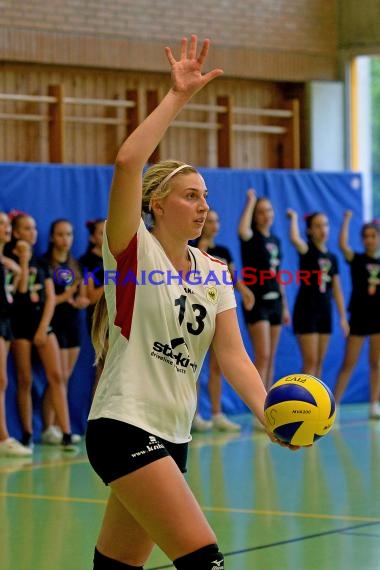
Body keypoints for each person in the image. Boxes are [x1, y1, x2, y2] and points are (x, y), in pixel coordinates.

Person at [85, 36, 298, 570]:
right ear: (156, 204)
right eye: (190, 195)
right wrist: (178, 97)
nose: (204, 205)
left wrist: (268, 413)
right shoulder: (133, 248)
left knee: (116, 567)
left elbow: (234, 357)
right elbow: (129, 159)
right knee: (205, 560)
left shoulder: (215, 272)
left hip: (172, 434)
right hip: (124, 425)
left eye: (205, 196)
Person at [4, 212, 77, 450]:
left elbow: (49, 298)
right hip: (18, 326)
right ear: (16, 233)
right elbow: (21, 291)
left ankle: (65, 431)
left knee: (57, 376)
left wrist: (44, 326)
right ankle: (26, 433)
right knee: (24, 379)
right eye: (26, 229)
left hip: (43, 325)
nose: (32, 233)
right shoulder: (8, 258)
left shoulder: (43, 262)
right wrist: (23, 263)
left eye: (34, 228)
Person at [192, 208, 254, 432]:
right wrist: (203, 244)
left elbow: (232, 276)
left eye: (217, 221)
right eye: (210, 221)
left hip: (220, 310)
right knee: (194, 366)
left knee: (219, 364)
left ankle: (217, 413)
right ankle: (195, 414)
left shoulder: (224, 250)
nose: (214, 224)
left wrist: (244, 291)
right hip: (197, 310)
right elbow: (193, 272)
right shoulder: (192, 248)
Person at [40, 219, 89, 444]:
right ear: (52, 237)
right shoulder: (45, 264)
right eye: (60, 234)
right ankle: (50, 426)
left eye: (69, 234)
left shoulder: (75, 264)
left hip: (72, 325)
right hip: (53, 325)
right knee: (56, 377)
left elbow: (81, 295)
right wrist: (67, 295)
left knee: (64, 378)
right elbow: (48, 299)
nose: (65, 239)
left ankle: (59, 426)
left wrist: (79, 300)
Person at [286, 209, 349, 377]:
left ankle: (315, 402)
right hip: (307, 311)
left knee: (319, 362)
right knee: (310, 361)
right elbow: (294, 238)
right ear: (310, 230)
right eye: (318, 226)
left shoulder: (332, 258)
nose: (323, 230)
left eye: (325, 225)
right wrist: (294, 218)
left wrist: (343, 317)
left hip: (325, 311)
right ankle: (301, 402)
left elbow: (336, 289)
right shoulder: (307, 251)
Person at [238, 189, 290, 390]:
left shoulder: (275, 241)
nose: (266, 215)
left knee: (271, 357)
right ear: (254, 216)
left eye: (268, 210)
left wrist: (284, 306)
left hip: (275, 301)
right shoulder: (251, 237)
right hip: (257, 302)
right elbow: (243, 230)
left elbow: (278, 274)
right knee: (263, 355)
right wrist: (250, 201)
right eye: (261, 211)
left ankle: (267, 403)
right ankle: (259, 406)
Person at [334, 211, 380, 419]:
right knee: (348, 363)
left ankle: (374, 404)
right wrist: (347, 220)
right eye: (366, 236)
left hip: (378, 318)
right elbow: (343, 245)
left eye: (374, 236)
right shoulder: (357, 259)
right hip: (359, 317)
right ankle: (334, 406)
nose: (370, 240)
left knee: (376, 363)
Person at [0, 212, 32, 457]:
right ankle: (3, 437)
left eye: (7, 223)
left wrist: (22, 262)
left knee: (4, 380)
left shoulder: (8, 262)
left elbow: (20, 292)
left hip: (7, 322)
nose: (6, 227)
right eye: (1, 224)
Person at [79, 218, 105, 334]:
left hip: (120, 316)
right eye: (101, 233)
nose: (107, 236)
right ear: (92, 238)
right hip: (100, 318)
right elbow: (90, 298)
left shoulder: (117, 259)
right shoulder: (87, 262)